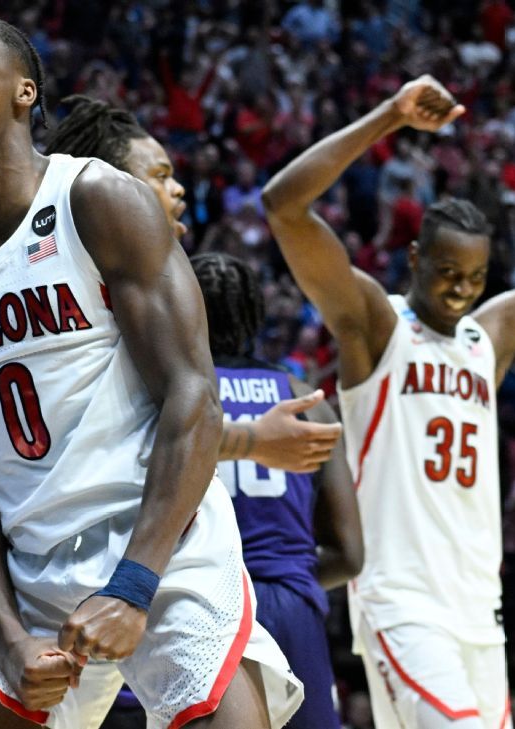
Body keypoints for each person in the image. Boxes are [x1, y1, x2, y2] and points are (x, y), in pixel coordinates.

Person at [0, 11, 301, 728]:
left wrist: (135, 584)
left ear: (24, 91)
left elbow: (192, 396)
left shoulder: (99, 201)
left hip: (158, 537)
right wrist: (8, 635)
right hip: (26, 563)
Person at [263, 75, 515, 728]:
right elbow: (284, 206)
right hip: (402, 600)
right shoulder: (377, 323)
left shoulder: (489, 336)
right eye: (446, 273)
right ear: (414, 257)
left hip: (477, 608)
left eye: (474, 277)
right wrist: (389, 115)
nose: (461, 289)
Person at [44, 94, 343, 474]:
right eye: (160, 175)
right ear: (110, 186)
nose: (178, 188)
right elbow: (127, 437)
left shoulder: (80, 284)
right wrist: (254, 439)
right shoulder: (104, 300)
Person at [190, 251, 365, 729]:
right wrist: (289, 573)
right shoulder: (306, 400)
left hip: (200, 603)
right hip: (291, 606)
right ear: (256, 316)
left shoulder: (169, 397)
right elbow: (350, 555)